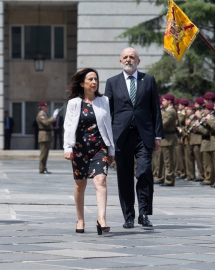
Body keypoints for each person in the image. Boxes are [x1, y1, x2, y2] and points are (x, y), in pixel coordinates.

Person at [104, 47, 163, 229]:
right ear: (120, 61)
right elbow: (107, 113)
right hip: (121, 137)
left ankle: (144, 213)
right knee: (125, 176)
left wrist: (158, 135)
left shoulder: (148, 80)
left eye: (132, 57)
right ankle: (128, 215)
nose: (129, 59)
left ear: (138, 61)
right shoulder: (112, 82)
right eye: (125, 57)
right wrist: (106, 139)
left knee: (144, 172)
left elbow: (155, 109)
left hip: (143, 135)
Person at [63, 68, 115, 235]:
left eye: (96, 79)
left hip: (99, 147)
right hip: (80, 148)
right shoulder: (74, 103)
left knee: (101, 181)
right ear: (82, 83)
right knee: (80, 184)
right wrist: (67, 147)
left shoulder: (104, 101)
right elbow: (68, 126)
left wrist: (111, 149)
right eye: (90, 79)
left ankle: (102, 219)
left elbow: (108, 126)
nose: (94, 82)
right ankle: (80, 219)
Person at [36, 102, 58, 174]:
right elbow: (46, 123)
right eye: (46, 107)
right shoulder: (41, 115)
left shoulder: (44, 114)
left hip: (46, 136)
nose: (47, 108)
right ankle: (41, 169)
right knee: (43, 154)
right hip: (44, 136)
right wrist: (54, 117)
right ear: (42, 108)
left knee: (45, 154)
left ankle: (43, 168)